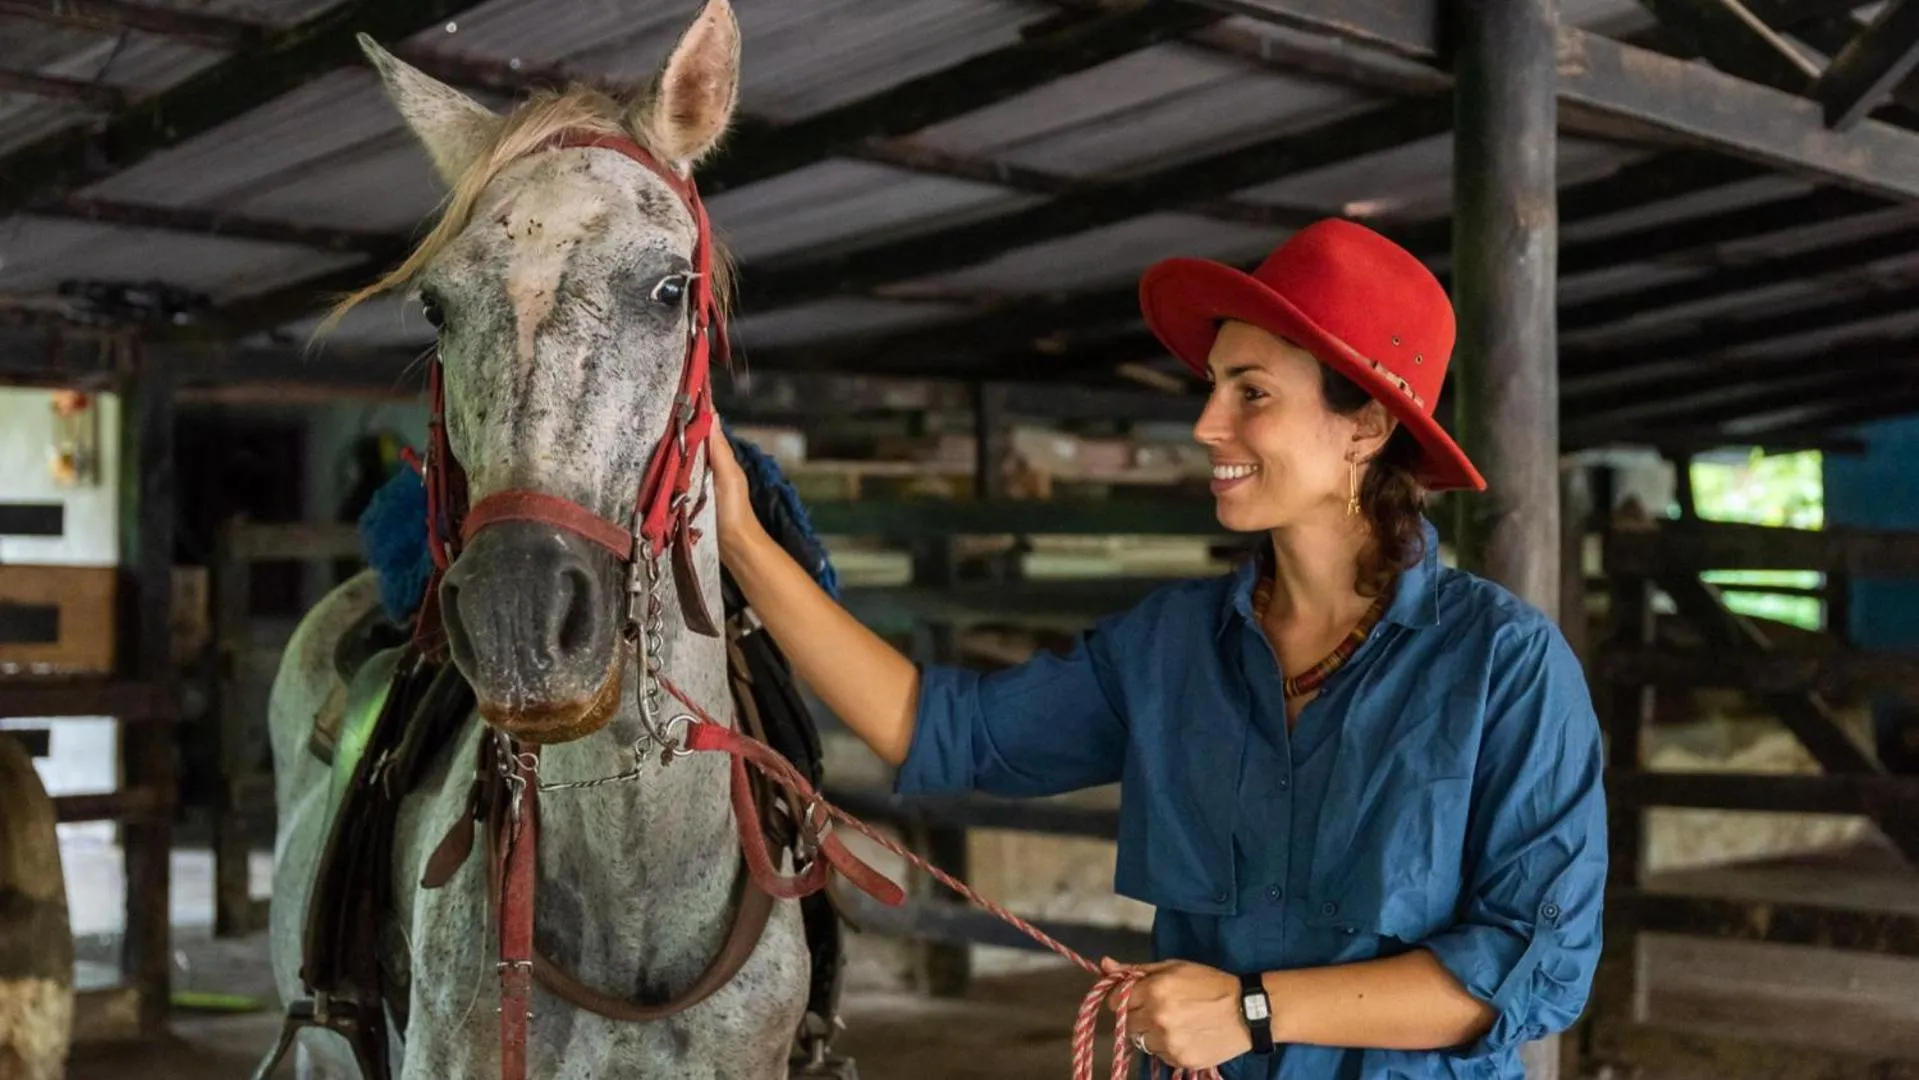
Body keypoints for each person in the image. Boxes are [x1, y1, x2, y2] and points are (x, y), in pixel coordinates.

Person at [706, 219, 1607, 1079]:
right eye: (1213, 387)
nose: (1207, 424)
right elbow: (940, 730)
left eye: (1250, 392)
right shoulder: (1170, 646)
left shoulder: (1504, 665)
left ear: (1364, 426)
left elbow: (1536, 963)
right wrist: (742, 539)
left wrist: (1255, 1010)